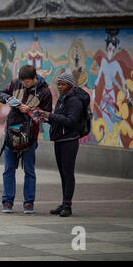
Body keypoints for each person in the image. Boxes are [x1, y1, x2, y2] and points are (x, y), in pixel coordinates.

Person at [0, 65, 52, 214]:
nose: (25, 84)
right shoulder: (15, 84)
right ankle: (7, 202)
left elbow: (47, 115)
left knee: (29, 170)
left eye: (27, 82)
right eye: (23, 82)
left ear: (35, 78)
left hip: (30, 135)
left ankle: (28, 203)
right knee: (8, 169)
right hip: (11, 133)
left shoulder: (45, 92)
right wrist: (12, 101)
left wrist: (30, 110)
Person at [46, 72, 90, 217]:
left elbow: (71, 121)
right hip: (59, 140)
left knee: (68, 173)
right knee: (62, 173)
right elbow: (60, 118)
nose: (59, 86)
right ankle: (64, 202)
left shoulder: (74, 101)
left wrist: (51, 116)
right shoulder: (63, 99)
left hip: (69, 141)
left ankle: (68, 205)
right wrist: (46, 118)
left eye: (63, 84)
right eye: (58, 84)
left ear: (70, 85)